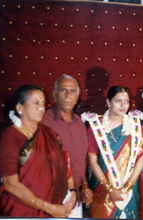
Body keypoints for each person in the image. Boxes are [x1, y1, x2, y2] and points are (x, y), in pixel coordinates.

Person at [0, 85, 76, 217]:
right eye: (35, 102)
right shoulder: (10, 136)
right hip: (23, 209)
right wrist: (47, 207)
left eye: (43, 103)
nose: (41, 107)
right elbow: (10, 184)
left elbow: (64, 164)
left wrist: (72, 191)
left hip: (55, 207)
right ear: (20, 108)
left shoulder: (48, 132)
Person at [83, 86, 143, 219]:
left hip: (129, 190)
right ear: (108, 102)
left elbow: (140, 160)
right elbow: (93, 162)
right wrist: (109, 189)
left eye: (126, 101)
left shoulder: (136, 128)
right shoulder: (95, 127)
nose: (123, 105)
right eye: (118, 101)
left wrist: (127, 187)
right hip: (103, 189)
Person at [42, 75, 93, 217]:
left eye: (72, 91)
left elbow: (82, 161)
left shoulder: (80, 123)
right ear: (55, 94)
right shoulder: (44, 121)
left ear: (77, 96)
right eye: (63, 90)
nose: (68, 95)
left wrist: (84, 187)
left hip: (76, 200)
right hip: (52, 199)